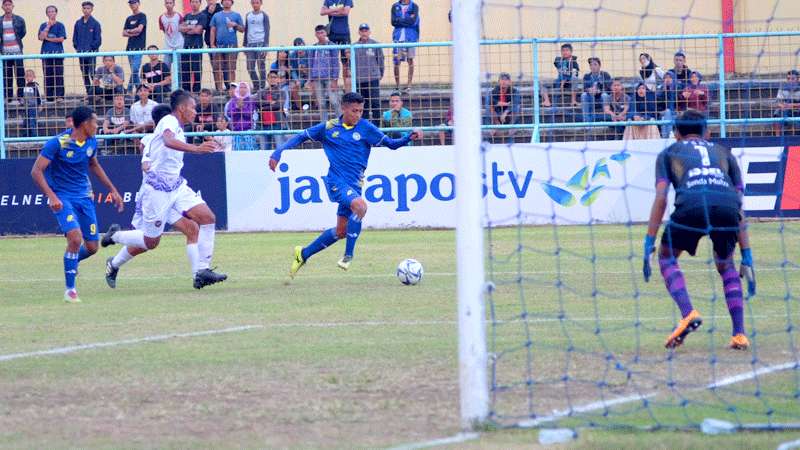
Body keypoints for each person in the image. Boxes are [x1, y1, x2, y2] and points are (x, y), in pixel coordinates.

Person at [269, 92, 423, 274]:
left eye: (360, 111)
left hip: (355, 185)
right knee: (361, 207)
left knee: (341, 231)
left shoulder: (366, 128)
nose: (358, 115)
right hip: (336, 182)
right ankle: (348, 256)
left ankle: (303, 254)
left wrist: (408, 138)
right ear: (343, 108)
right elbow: (301, 136)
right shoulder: (329, 127)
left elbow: (391, 144)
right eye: (354, 111)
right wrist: (279, 152)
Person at [643, 109, 754, 350]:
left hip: (691, 205)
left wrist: (648, 241)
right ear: (708, 132)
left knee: (666, 256)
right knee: (726, 265)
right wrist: (747, 253)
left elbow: (661, 197)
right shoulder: (725, 153)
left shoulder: (669, 153)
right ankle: (739, 334)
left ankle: (688, 313)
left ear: (675, 133)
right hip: (727, 207)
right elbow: (739, 206)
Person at [102, 90, 227, 290]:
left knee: (206, 219)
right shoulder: (168, 121)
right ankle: (115, 237)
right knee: (150, 241)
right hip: (157, 191)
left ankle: (201, 271)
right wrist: (196, 149)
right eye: (193, 107)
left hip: (176, 186)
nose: (195, 112)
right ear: (182, 108)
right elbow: (166, 142)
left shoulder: (178, 128)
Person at [30, 106, 124, 303]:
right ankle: (70, 290)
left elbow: (93, 164)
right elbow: (36, 171)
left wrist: (112, 189)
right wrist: (52, 197)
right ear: (84, 124)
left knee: (92, 247)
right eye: (95, 122)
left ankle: (71, 260)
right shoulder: (58, 143)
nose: (97, 126)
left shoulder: (90, 141)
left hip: (84, 197)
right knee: (74, 239)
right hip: (63, 197)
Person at [209, 0, 244, 91]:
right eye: (225, 1)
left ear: (232, 3)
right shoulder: (216, 15)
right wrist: (212, 44)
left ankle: (231, 90)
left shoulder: (236, 15)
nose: (227, 2)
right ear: (222, 3)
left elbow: (242, 29)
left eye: (229, 1)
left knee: (231, 68)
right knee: (217, 68)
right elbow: (213, 30)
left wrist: (235, 24)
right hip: (219, 46)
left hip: (232, 46)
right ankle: (219, 90)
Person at [354, 23, 384, 124]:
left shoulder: (375, 45)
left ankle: (377, 125)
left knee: (375, 103)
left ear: (369, 32)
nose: (364, 33)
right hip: (359, 79)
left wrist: (380, 73)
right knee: (363, 105)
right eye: (362, 30)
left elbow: (380, 60)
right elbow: (350, 63)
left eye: (366, 30)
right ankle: (364, 125)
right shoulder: (354, 46)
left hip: (373, 78)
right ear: (359, 32)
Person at [310, 24, 341, 121]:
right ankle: (324, 124)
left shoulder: (332, 46)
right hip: (317, 78)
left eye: (322, 32)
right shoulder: (314, 47)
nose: (320, 35)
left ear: (326, 33)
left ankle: (340, 121)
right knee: (321, 103)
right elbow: (310, 63)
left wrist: (335, 79)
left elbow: (336, 63)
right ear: (315, 34)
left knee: (334, 101)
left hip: (329, 78)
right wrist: (310, 79)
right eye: (318, 33)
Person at [320, 0, 353, 90]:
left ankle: (347, 89)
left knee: (346, 62)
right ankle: (334, 86)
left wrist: (331, 11)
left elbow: (346, 12)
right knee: (333, 61)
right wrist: (338, 10)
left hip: (344, 34)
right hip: (332, 34)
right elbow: (322, 12)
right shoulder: (328, 1)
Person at [38, 5, 66, 103]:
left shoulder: (60, 25)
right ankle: (49, 96)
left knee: (58, 75)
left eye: (53, 11)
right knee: (47, 75)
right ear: (47, 14)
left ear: (56, 13)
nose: (51, 13)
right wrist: (48, 26)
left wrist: (49, 39)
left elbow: (61, 39)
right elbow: (41, 37)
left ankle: (59, 96)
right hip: (46, 53)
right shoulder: (43, 25)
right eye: (49, 11)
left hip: (58, 53)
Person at [73, 1, 102, 96]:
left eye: (88, 8)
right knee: (84, 73)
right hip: (81, 53)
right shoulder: (78, 23)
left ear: (92, 9)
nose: (86, 10)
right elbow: (75, 38)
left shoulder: (95, 23)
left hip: (91, 53)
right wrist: (78, 48)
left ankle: (96, 92)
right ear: (82, 9)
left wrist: (91, 49)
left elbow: (98, 40)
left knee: (92, 72)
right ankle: (88, 92)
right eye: (84, 8)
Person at [390, 0, 419, 93]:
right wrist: (406, 20)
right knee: (396, 62)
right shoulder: (395, 6)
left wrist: (400, 21)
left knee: (410, 60)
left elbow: (413, 22)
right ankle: (397, 86)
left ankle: (409, 85)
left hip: (410, 37)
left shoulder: (414, 6)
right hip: (398, 37)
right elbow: (393, 22)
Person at [1, 0, 26, 105]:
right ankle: (8, 97)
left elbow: (23, 32)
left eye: (9, 5)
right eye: (5, 5)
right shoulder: (0, 20)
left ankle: (21, 97)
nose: (7, 7)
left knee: (20, 75)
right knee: (7, 76)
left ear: (13, 6)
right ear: (2, 7)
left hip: (17, 52)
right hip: (5, 53)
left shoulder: (19, 19)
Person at [180, 0, 208, 93]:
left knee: (196, 69)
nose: (194, 4)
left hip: (196, 45)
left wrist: (187, 29)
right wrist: (191, 28)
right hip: (186, 46)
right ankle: (186, 90)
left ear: (200, 3)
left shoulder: (202, 16)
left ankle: (196, 90)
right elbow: (180, 28)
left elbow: (198, 30)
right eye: (193, 2)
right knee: (185, 69)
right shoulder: (187, 16)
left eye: (196, 2)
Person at [258, 71, 289, 149]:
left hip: (277, 124)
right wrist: (270, 103)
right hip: (264, 124)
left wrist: (264, 107)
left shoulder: (282, 92)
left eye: (274, 77)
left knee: (279, 148)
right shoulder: (261, 92)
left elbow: (279, 105)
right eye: (270, 77)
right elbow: (258, 103)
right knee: (265, 149)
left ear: (278, 79)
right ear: (267, 79)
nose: (272, 79)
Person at [244, 0, 269, 91]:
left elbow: (267, 30)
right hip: (250, 44)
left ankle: (262, 86)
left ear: (261, 3)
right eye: (253, 3)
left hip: (260, 43)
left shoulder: (264, 16)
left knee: (260, 65)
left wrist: (265, 46)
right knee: (249, 67)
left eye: (257, 2)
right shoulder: (248, 15)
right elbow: (246, 30)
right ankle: (256, 84)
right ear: (251, 4)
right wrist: (245, 45)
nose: (255, 4)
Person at [122, 0, 147, 94]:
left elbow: (140, 30)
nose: (133, 5)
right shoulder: (129, 18)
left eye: (134, 3)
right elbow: (123, 33)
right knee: (134, 71)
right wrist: (133, 32)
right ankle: (139, 89)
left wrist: (129, 31)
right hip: (129, 48)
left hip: (139, 47)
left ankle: (129, 89)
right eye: (131, 3)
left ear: (139, 4)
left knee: (135, 69)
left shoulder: (142, 16)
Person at [488, 72, 520, 143]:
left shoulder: (514, 91)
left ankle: (511, 126)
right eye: (501, 79)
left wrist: (506, 112)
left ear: (509, 82)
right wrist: (503, 103)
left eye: (506, 80)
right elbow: (490, 100)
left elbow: (516, 101)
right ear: (498, 82)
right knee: (490, 107)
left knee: (517, 107)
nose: (504, 82)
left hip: (508, 113)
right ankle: (497, 125)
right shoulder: (495, 90)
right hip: (498, 113)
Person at [225, 81, 258, 150]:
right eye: (241, 87)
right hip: (236, 131)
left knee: (249, 150)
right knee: (237, 151)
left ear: (248, 89)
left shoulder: (251, 101)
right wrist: (237, 107)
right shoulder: (233, 101)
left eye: (244, 87)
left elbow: (250, 114)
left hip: (248, 131)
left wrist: (241, 108)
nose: (242, 89)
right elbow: (229, 114)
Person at [580, 57, 612, 123]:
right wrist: (589, 90)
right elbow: (584, 88)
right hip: (590, 97)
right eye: (591, 65)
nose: (593, 67)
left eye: (595, 64)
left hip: (601, 97)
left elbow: (609, 88)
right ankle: (586, 123)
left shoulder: (605, 75)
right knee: (584, 95)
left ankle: (606, 120)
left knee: (605, 95)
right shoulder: (586, 76)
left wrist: (599, 90)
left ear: (599, 65)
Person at [203, 0, 224, 89]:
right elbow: (205, 26)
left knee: (227, 67)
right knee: (215, 67)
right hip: (211, 44)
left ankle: (228, 87)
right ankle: (219, 88)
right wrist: (209, 14)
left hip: (223, 43)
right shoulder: (204, 12)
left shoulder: (222, 10)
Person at [773, 69, 800, 136]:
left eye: (792, 78)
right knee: (777, 113)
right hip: (787, 110)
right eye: (788, 78)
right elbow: (778, 102)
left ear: (798, 79)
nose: (790, 81)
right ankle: (777, 138)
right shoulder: (782, 88)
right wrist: (781, 106)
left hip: (798, 110)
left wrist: (791, 105)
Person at [159, 0, 184, 67]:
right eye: (167, 3)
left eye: (170, 3)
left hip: (179, 45)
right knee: (166, 67)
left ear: (173, 4)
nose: (168, 5)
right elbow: (164, 31)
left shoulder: (178, 16)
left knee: (179, 68)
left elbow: (182, 29)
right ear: (164, 4)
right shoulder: (161, 17)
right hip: (168, 46)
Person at [289, 37, 311, 109]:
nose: (300, 50)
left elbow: (313, 69)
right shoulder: (292, 55)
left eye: (301, 47)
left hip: (310, 77)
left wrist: (309, 80)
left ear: (304, 45)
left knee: (313, 86)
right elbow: (293, 70)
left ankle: (315, 107)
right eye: (297, 48)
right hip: (300, 77)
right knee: (293, 87)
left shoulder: (310, 53)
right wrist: (296, 80)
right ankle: (299, 108)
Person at [657, 70, 679, 138]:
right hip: (664, 113)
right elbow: (658, 104)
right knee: (667, 113)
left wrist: (671, 90)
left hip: (676, 113)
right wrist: (664, 91)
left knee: (666, 117)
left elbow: (681, 102)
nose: (668, 79)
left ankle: (666, 137)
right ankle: (669, 134)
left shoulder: (678, 88)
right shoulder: (660, 90)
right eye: (666, 77)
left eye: (670, 77)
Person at [22, 69, 41, 138]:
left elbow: (39, 96)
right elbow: (24, 96)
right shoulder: (25, 86)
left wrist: (40, 105)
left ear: (34, 77)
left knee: (32, 122)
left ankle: (34, 137)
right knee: (25, 123)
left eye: (30, 76)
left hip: (33, 107)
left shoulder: (35, 86)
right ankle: (25, 137)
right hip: (26, 107)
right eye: (27, 76)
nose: (28, 78)